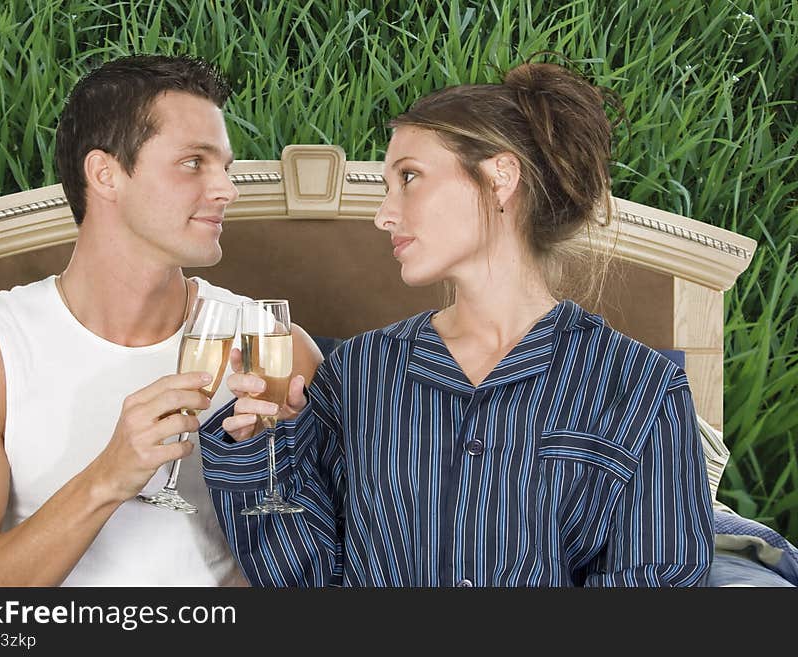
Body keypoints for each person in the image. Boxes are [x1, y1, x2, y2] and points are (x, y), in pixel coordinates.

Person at [199, 62, 714, 587]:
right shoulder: (359, 372)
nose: (384, 215)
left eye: (409, 178)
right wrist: (263, 449)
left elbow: (660, 579)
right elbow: (301, 579)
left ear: (499, 178)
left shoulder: (640, 387)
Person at [0, 54, 323, 586]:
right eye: (194, 162)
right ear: (105, 173)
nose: (227, 189)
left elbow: (334, 566)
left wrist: (284, 466)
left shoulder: (274, 347)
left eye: (225, 166)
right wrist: (107, 478)